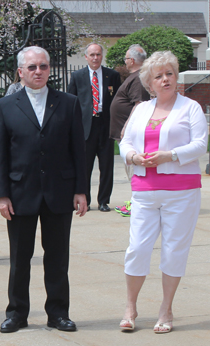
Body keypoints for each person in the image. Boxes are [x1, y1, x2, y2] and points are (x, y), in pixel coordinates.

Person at [0, 46, 87, 334]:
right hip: (21, 193)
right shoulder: (6, 106)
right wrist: (2, 194)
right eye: (32, 67)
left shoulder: (68, 103)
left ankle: (58, 313)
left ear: (50, 70)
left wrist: (81, 190)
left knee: (57, 258)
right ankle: (17, 313)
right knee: (20, 258)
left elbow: (78, 151)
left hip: (59, 191)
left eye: (43, 66)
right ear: (20, 71)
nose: (38, 71)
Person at [119, 51, 208, 333]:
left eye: (169, 73)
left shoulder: (190, 107)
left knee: (173, 251)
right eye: (159, 76)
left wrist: (169, 155)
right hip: (145, 191)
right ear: (150, 82)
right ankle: (130, 307)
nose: (165, 79)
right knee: (137, 249)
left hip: (181, 192)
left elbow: (200, 145)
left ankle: (166, 309)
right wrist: (133, 157)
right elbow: (126, 142)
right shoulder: (142, 109)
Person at [68, 43, 121, 212]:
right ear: (86, 57)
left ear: (101, 56)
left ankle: (104, 201)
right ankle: (86, 200)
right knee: (85, 166)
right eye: (92, 55)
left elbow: (118, 101)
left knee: (106, 166)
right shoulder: (78, 76)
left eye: (98, 54)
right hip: (85, 127)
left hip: (105, 126)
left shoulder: (112, 75)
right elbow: (71, 101)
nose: (95, 58)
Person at [110, 44, 151, 217]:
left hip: (130, 134)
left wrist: (126, 126)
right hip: (125, 133)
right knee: (130, 169)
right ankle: (135, 200)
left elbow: (139, 104)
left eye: (126, 59)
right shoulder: (135, 77)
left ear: (132, 60)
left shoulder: (139, 78)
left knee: (134, 169)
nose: (125, 62)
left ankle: (137, 202)